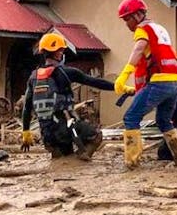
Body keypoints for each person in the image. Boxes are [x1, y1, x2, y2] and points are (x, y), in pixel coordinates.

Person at [113, 0, 177, 169]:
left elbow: (138, 50)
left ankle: (132, 164)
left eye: (127, 19)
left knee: (130, 117)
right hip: (175, 84)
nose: (127, 24)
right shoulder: (159, 29)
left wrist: (124, 75)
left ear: (138, 15)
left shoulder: (142, 29)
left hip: (159, 83)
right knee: (164, 120)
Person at [21, 33, 115, 161]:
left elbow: (27, 107)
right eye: (62, 50)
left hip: (46, 133)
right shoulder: (66, 72)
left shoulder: (34, 77)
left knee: (61, 162)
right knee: (96, 136)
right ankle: (79, 161)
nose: (63, 53)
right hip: (65, 128)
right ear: (57, 53)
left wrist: (26, 132)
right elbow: (95, 82)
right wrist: (118, 87)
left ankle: (70, 166)